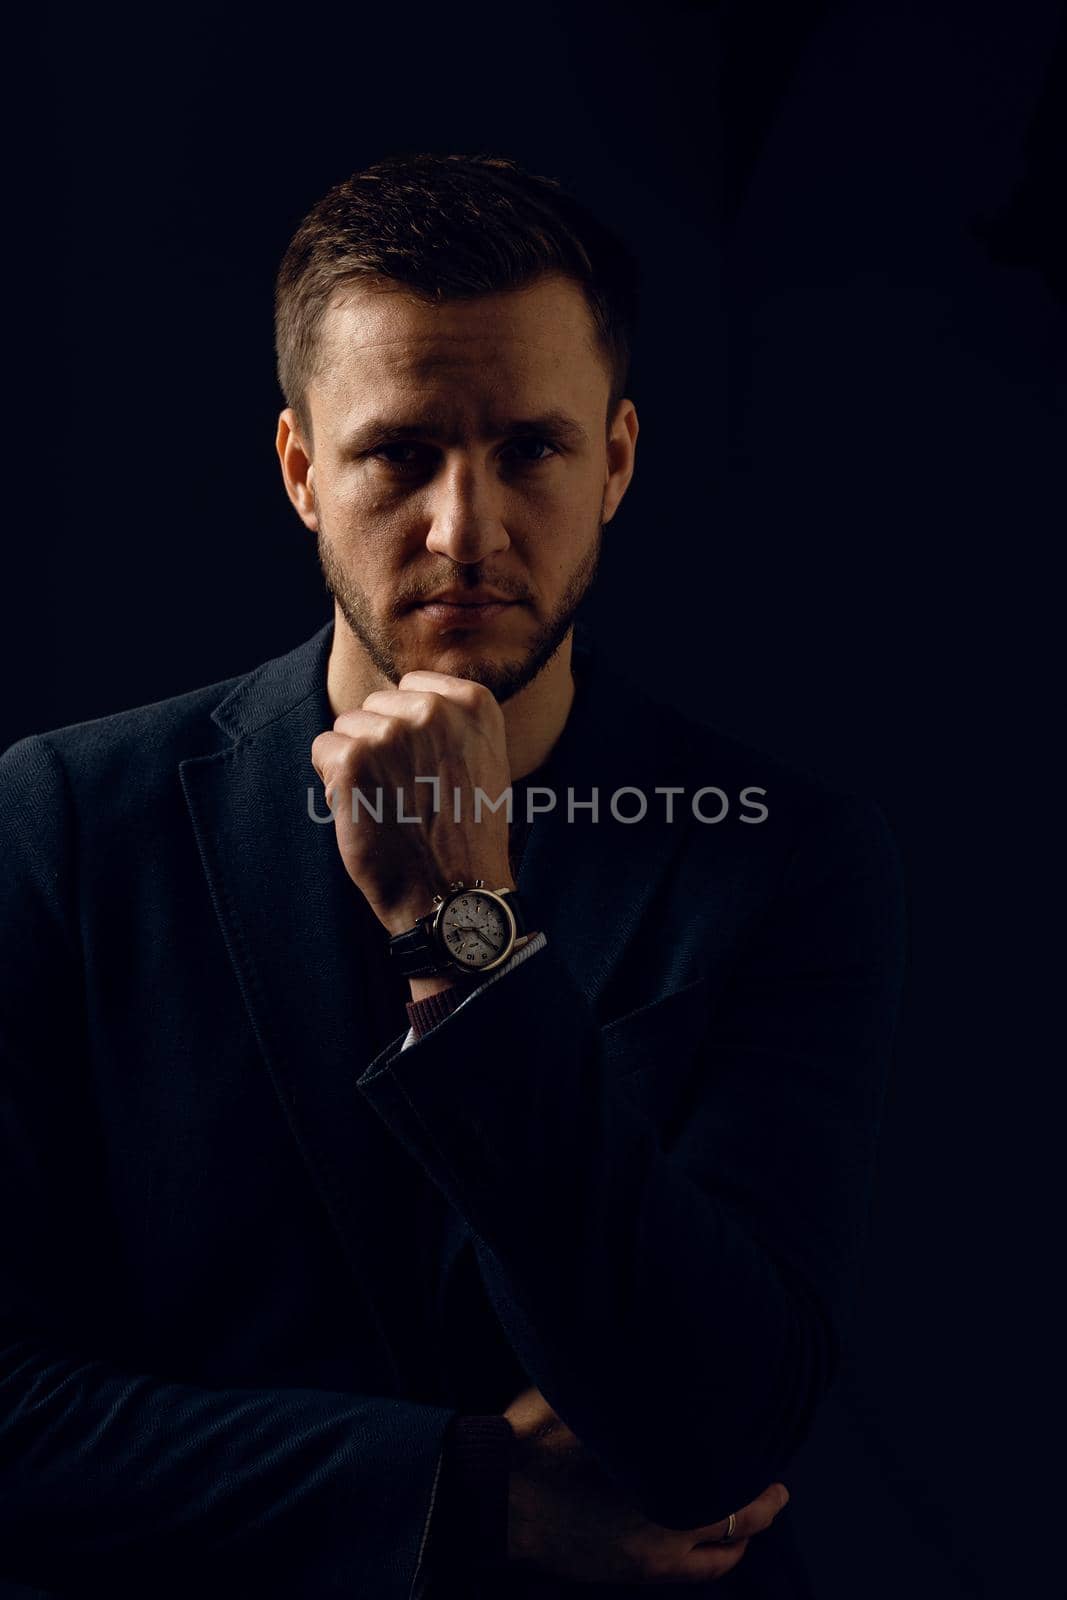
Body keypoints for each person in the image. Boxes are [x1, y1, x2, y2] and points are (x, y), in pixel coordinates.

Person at [0, 152, 906, 1599]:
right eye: (400, 452)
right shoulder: (60, 821)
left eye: (531, 452)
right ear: (302, 469)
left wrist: (459, 938)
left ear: (615, 461)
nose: (465, 530)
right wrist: (471, 1495)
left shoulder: (784, 859)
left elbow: (723, 1425)